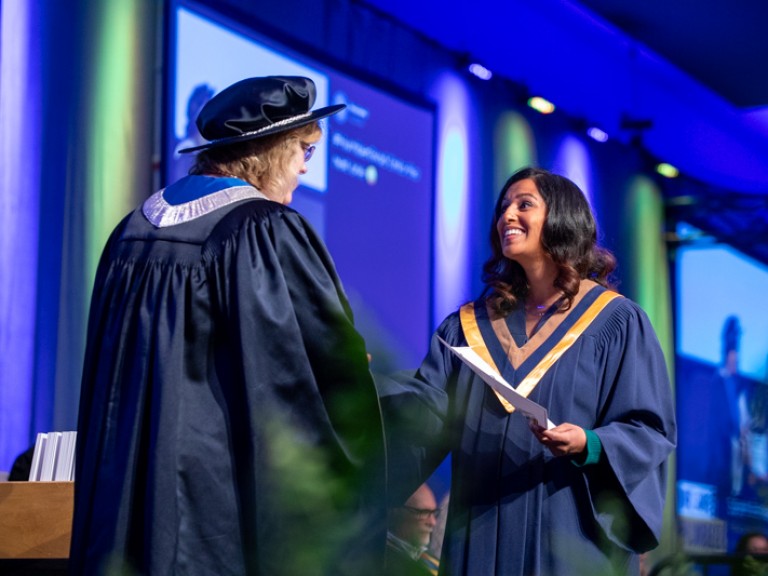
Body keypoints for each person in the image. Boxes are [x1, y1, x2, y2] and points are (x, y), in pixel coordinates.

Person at [70, 76, 387, 576]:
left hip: (125, 501)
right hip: (212, 507)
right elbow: (309, 368)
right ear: (269, 150)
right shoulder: (263, 230)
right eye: (304, 149)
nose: (307, 165)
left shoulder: (131, 230)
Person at [385, 167, 677, 575]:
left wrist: (589, 443)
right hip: (479, 537)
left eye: (524, 205)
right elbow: (423, 416)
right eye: (504, 206)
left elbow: (648, 429)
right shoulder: (468, 328)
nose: (507, 215)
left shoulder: (616, 322)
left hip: (571, 537)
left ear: (562, 218)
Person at [385, 483, 441, 576]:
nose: (433, 522)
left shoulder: (430, 559)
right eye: (423, 512)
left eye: (434, 513)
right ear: (396, 513)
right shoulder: (382, 561)